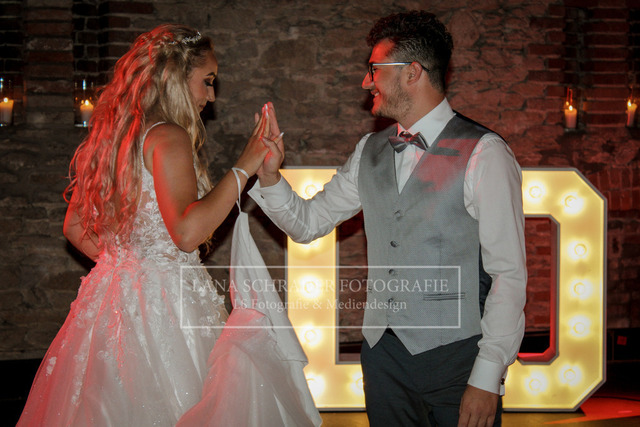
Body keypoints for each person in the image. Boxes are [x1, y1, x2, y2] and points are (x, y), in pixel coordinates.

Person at [249, 10, 527, 427]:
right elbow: (308, 223)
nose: (366, 82)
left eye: (375, 69)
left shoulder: (485, 153)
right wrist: (270, 177)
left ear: (412, 72)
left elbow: (509, 273)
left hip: (459, 360)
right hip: (383, 361)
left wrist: (488, 375)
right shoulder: (369, 150)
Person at [18, 24, 280, 426]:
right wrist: (245, 165)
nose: (211, 96)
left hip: (109, 300)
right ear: (176, 77)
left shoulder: (114, 137)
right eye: (207, 81)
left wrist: (127, 266)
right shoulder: (168, 136)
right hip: (167, 305)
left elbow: (74, 228)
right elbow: (187, 233)